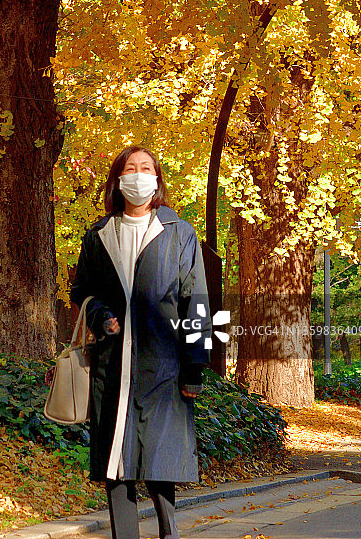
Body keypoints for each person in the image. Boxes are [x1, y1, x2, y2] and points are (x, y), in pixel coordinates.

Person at [69, 145, 212, 539]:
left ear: (157, 178)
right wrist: (98, 313)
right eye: (130, 168)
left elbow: (196, 301)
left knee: (160, 460)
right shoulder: (98, 235)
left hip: (162, 366)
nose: (138, 174)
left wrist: (195, 367)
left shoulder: (179, 233)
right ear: (118, 180)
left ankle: (169, 533)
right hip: (111, 367)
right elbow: (81, 290)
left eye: (146, 168)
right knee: (117, 465)